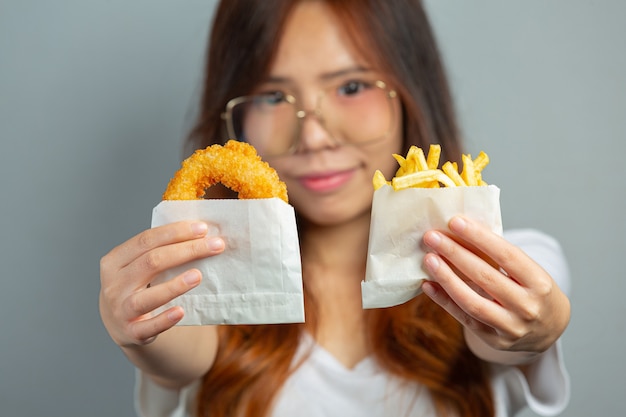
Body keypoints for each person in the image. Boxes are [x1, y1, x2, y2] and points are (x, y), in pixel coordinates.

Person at [99, 1, 571, 416]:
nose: (314, 137)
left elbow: (502, 335)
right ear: (233, 115)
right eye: (273, 96)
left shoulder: (510, 261)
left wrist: (531, 329)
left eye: (351, 87)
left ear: (410, 95)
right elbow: (186, 351)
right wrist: (142, 325)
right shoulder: (211, 270)